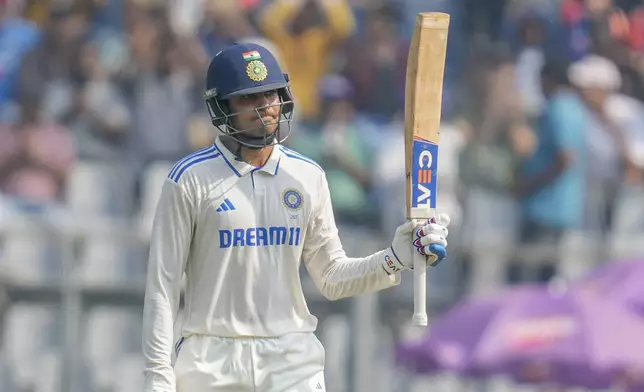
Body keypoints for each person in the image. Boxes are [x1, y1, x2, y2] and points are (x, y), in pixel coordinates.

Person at [141, 43, 451, 392]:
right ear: (220, 106)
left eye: (270, 94)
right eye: (249, 99)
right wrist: (157, 375)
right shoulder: (190, 179)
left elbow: (332, 277)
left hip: (291, 360)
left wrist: (394, 260)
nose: (265, 108)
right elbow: (162, 288)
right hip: (211, 360)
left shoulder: (307, 176)